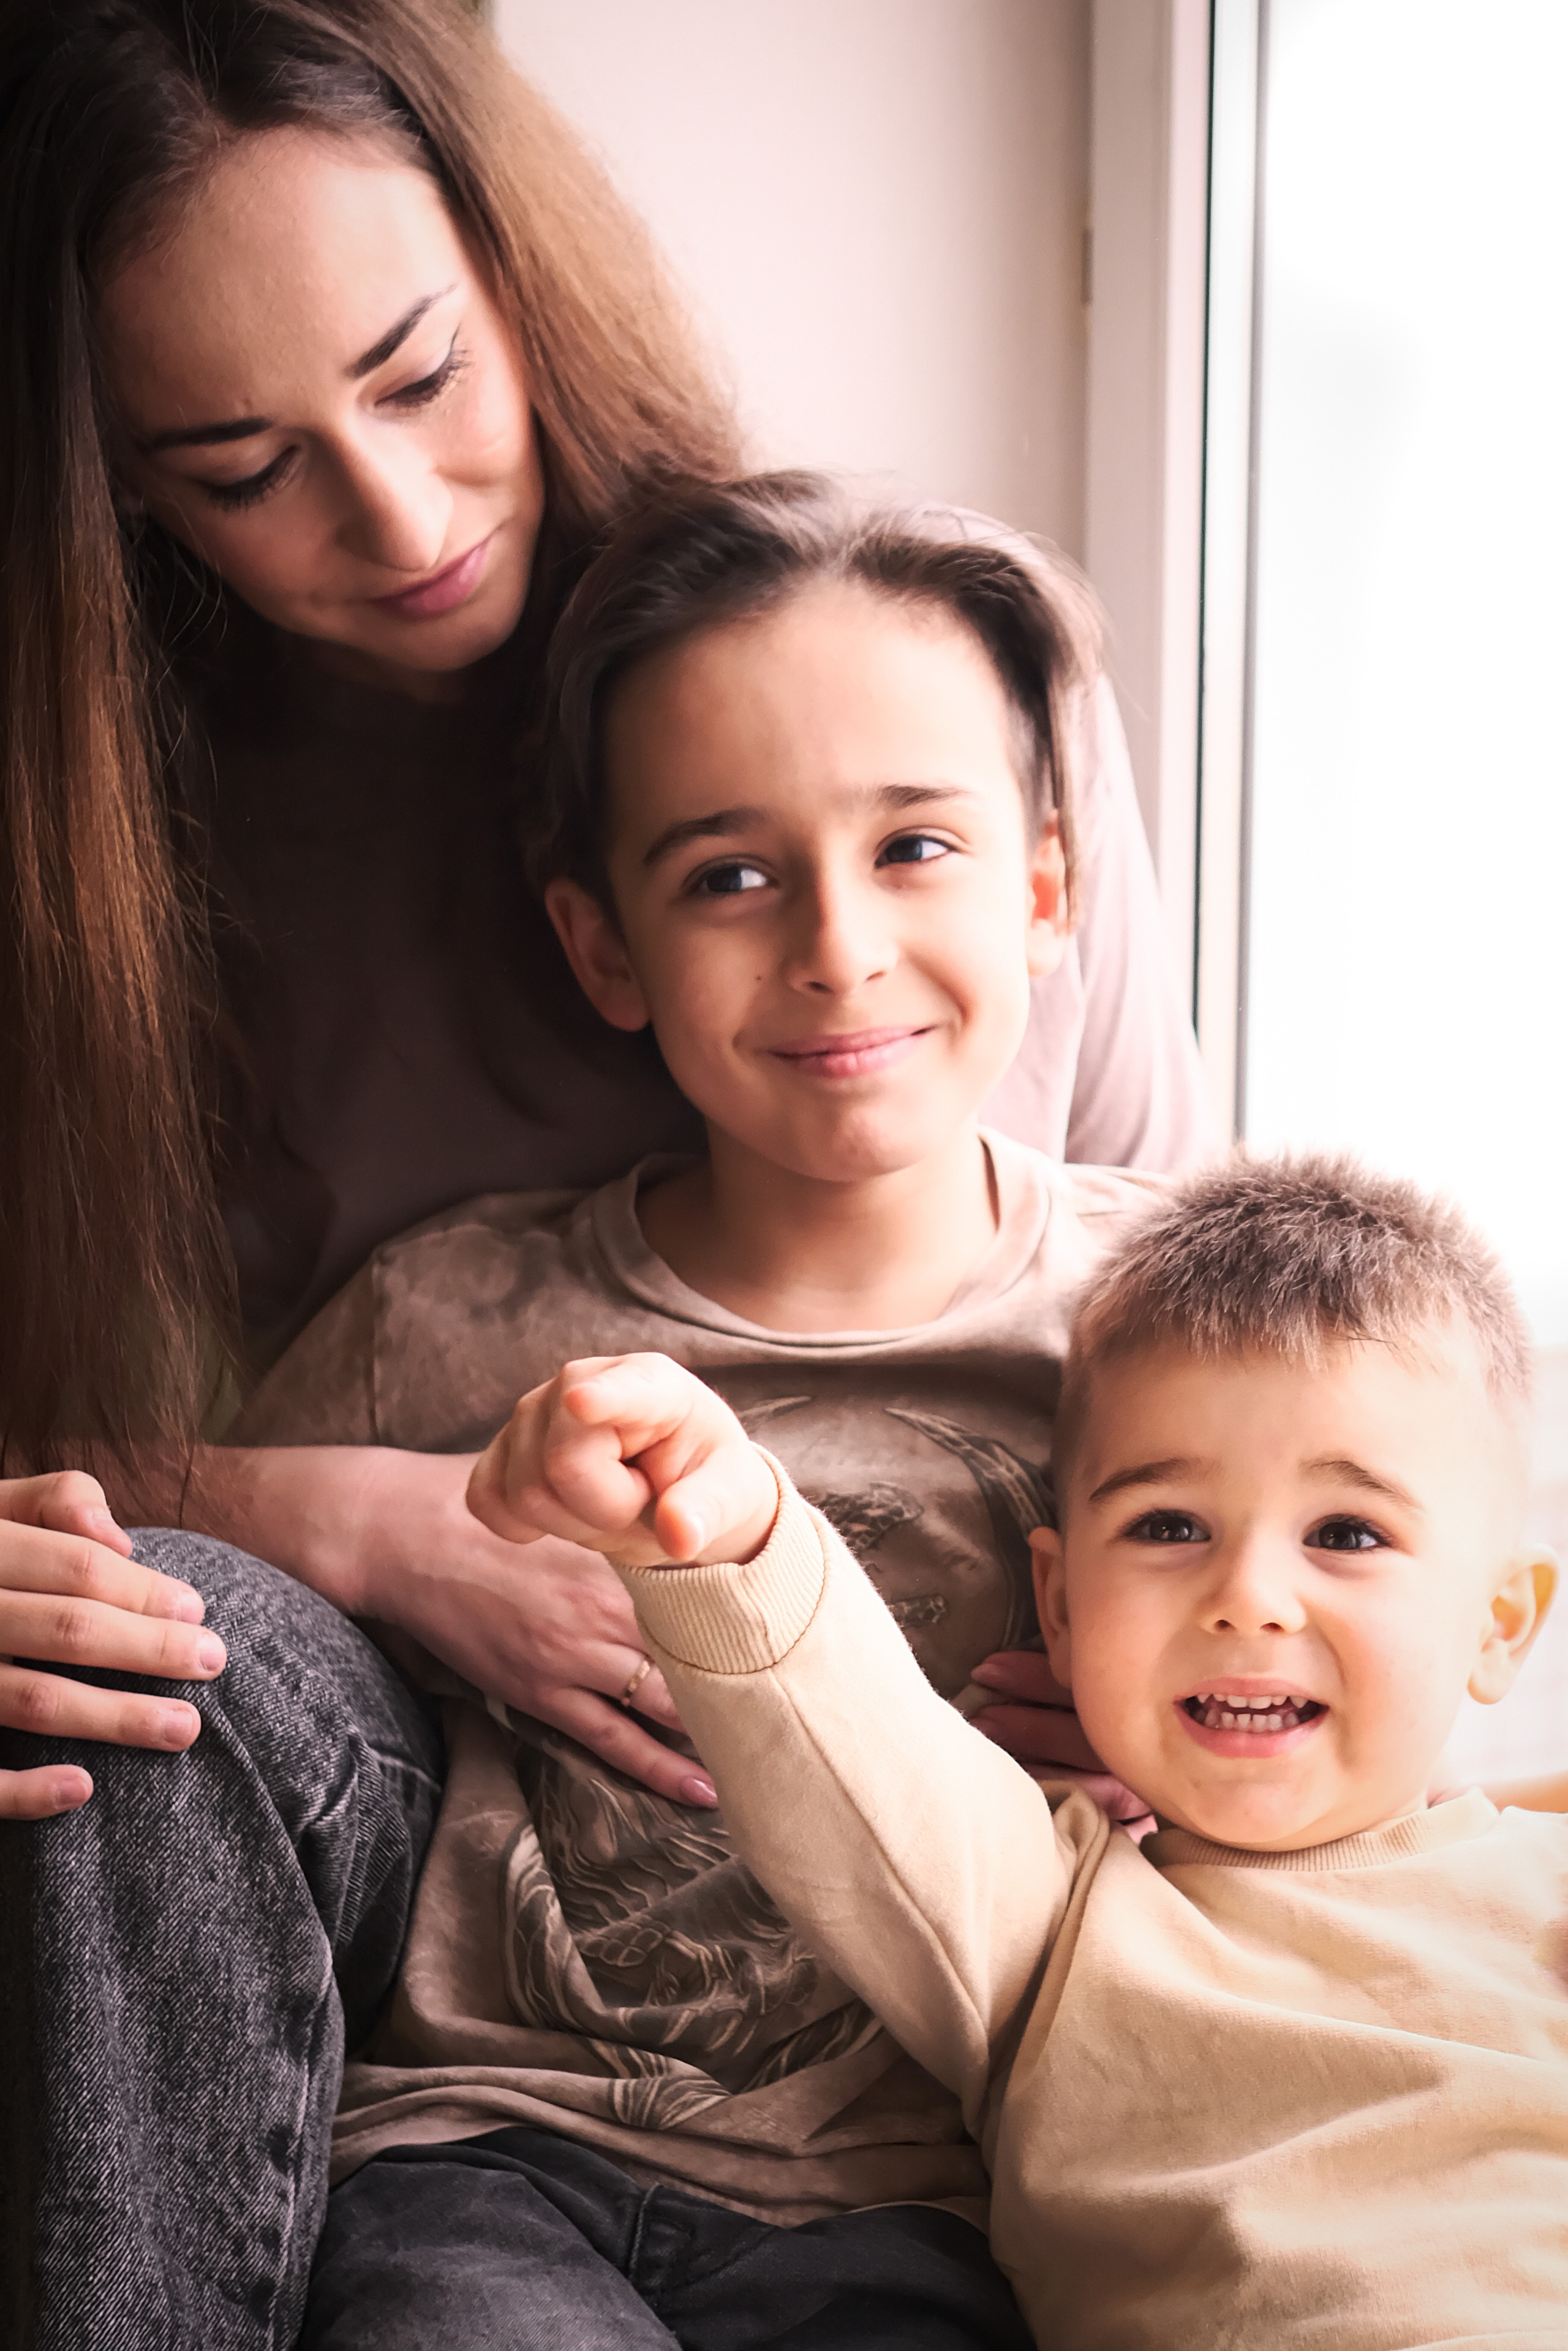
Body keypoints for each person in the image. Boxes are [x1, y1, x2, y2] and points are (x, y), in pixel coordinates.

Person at [0, 0, 1204, 2339]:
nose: (404, 516)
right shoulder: (101, 849)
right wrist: (341, 1513)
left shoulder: (906, 660)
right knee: (147, 1666)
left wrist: (1159, 1646)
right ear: (114, 490)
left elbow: (1198, 1332)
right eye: (242, 463)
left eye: (425, 374)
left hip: (893, 1940)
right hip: (422, 1866)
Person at [233, 472, 1163, 2348]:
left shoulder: (1156, 1332)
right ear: (603, 948)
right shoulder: (452, 1312)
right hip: (490, 2162)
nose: (836, 946)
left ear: (1048, 885)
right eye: (731, 875)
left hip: (928, 2187)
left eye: (917, 847)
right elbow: (179, 1555)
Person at [488, 1155, 1568, 2348]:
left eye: (1345, 1532)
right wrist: (727, 1523)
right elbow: (851, 1751)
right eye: (1167, 1525)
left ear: (1496, 1624)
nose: (1247, 1596)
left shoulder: (1540, 1892)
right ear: (1056, 1606)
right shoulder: (1043, 1916)